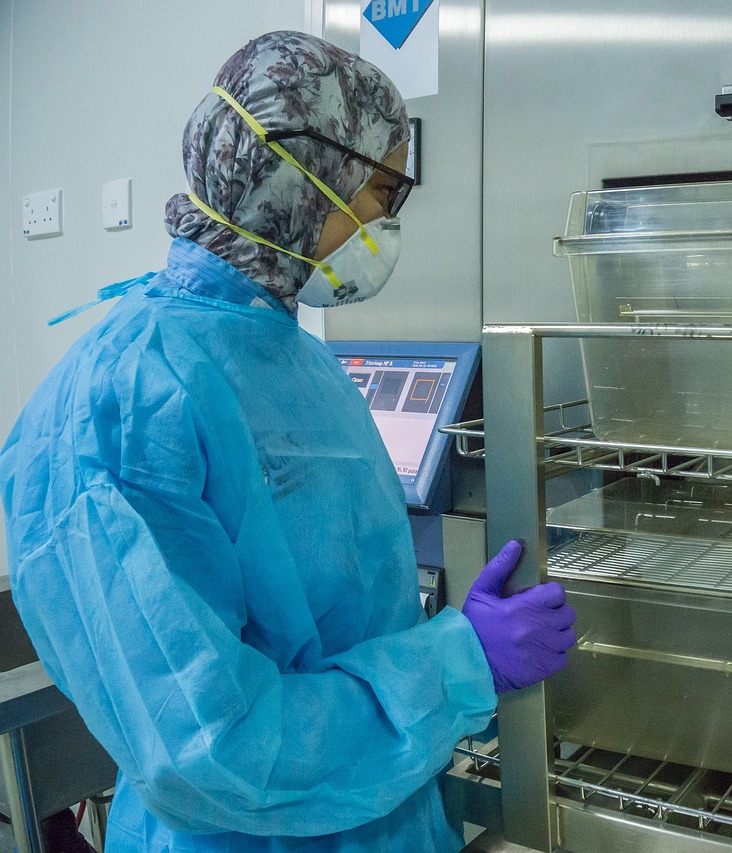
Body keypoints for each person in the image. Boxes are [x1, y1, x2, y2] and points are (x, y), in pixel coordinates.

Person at [0, 31, 575, 852]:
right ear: (304, 174)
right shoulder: (128, 399)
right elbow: (215, 749)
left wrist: (442, 642)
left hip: (383, 817)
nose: (385, 218)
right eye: (383, 188)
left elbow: (331, 618)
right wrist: (455, 665)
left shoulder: (291, 357)